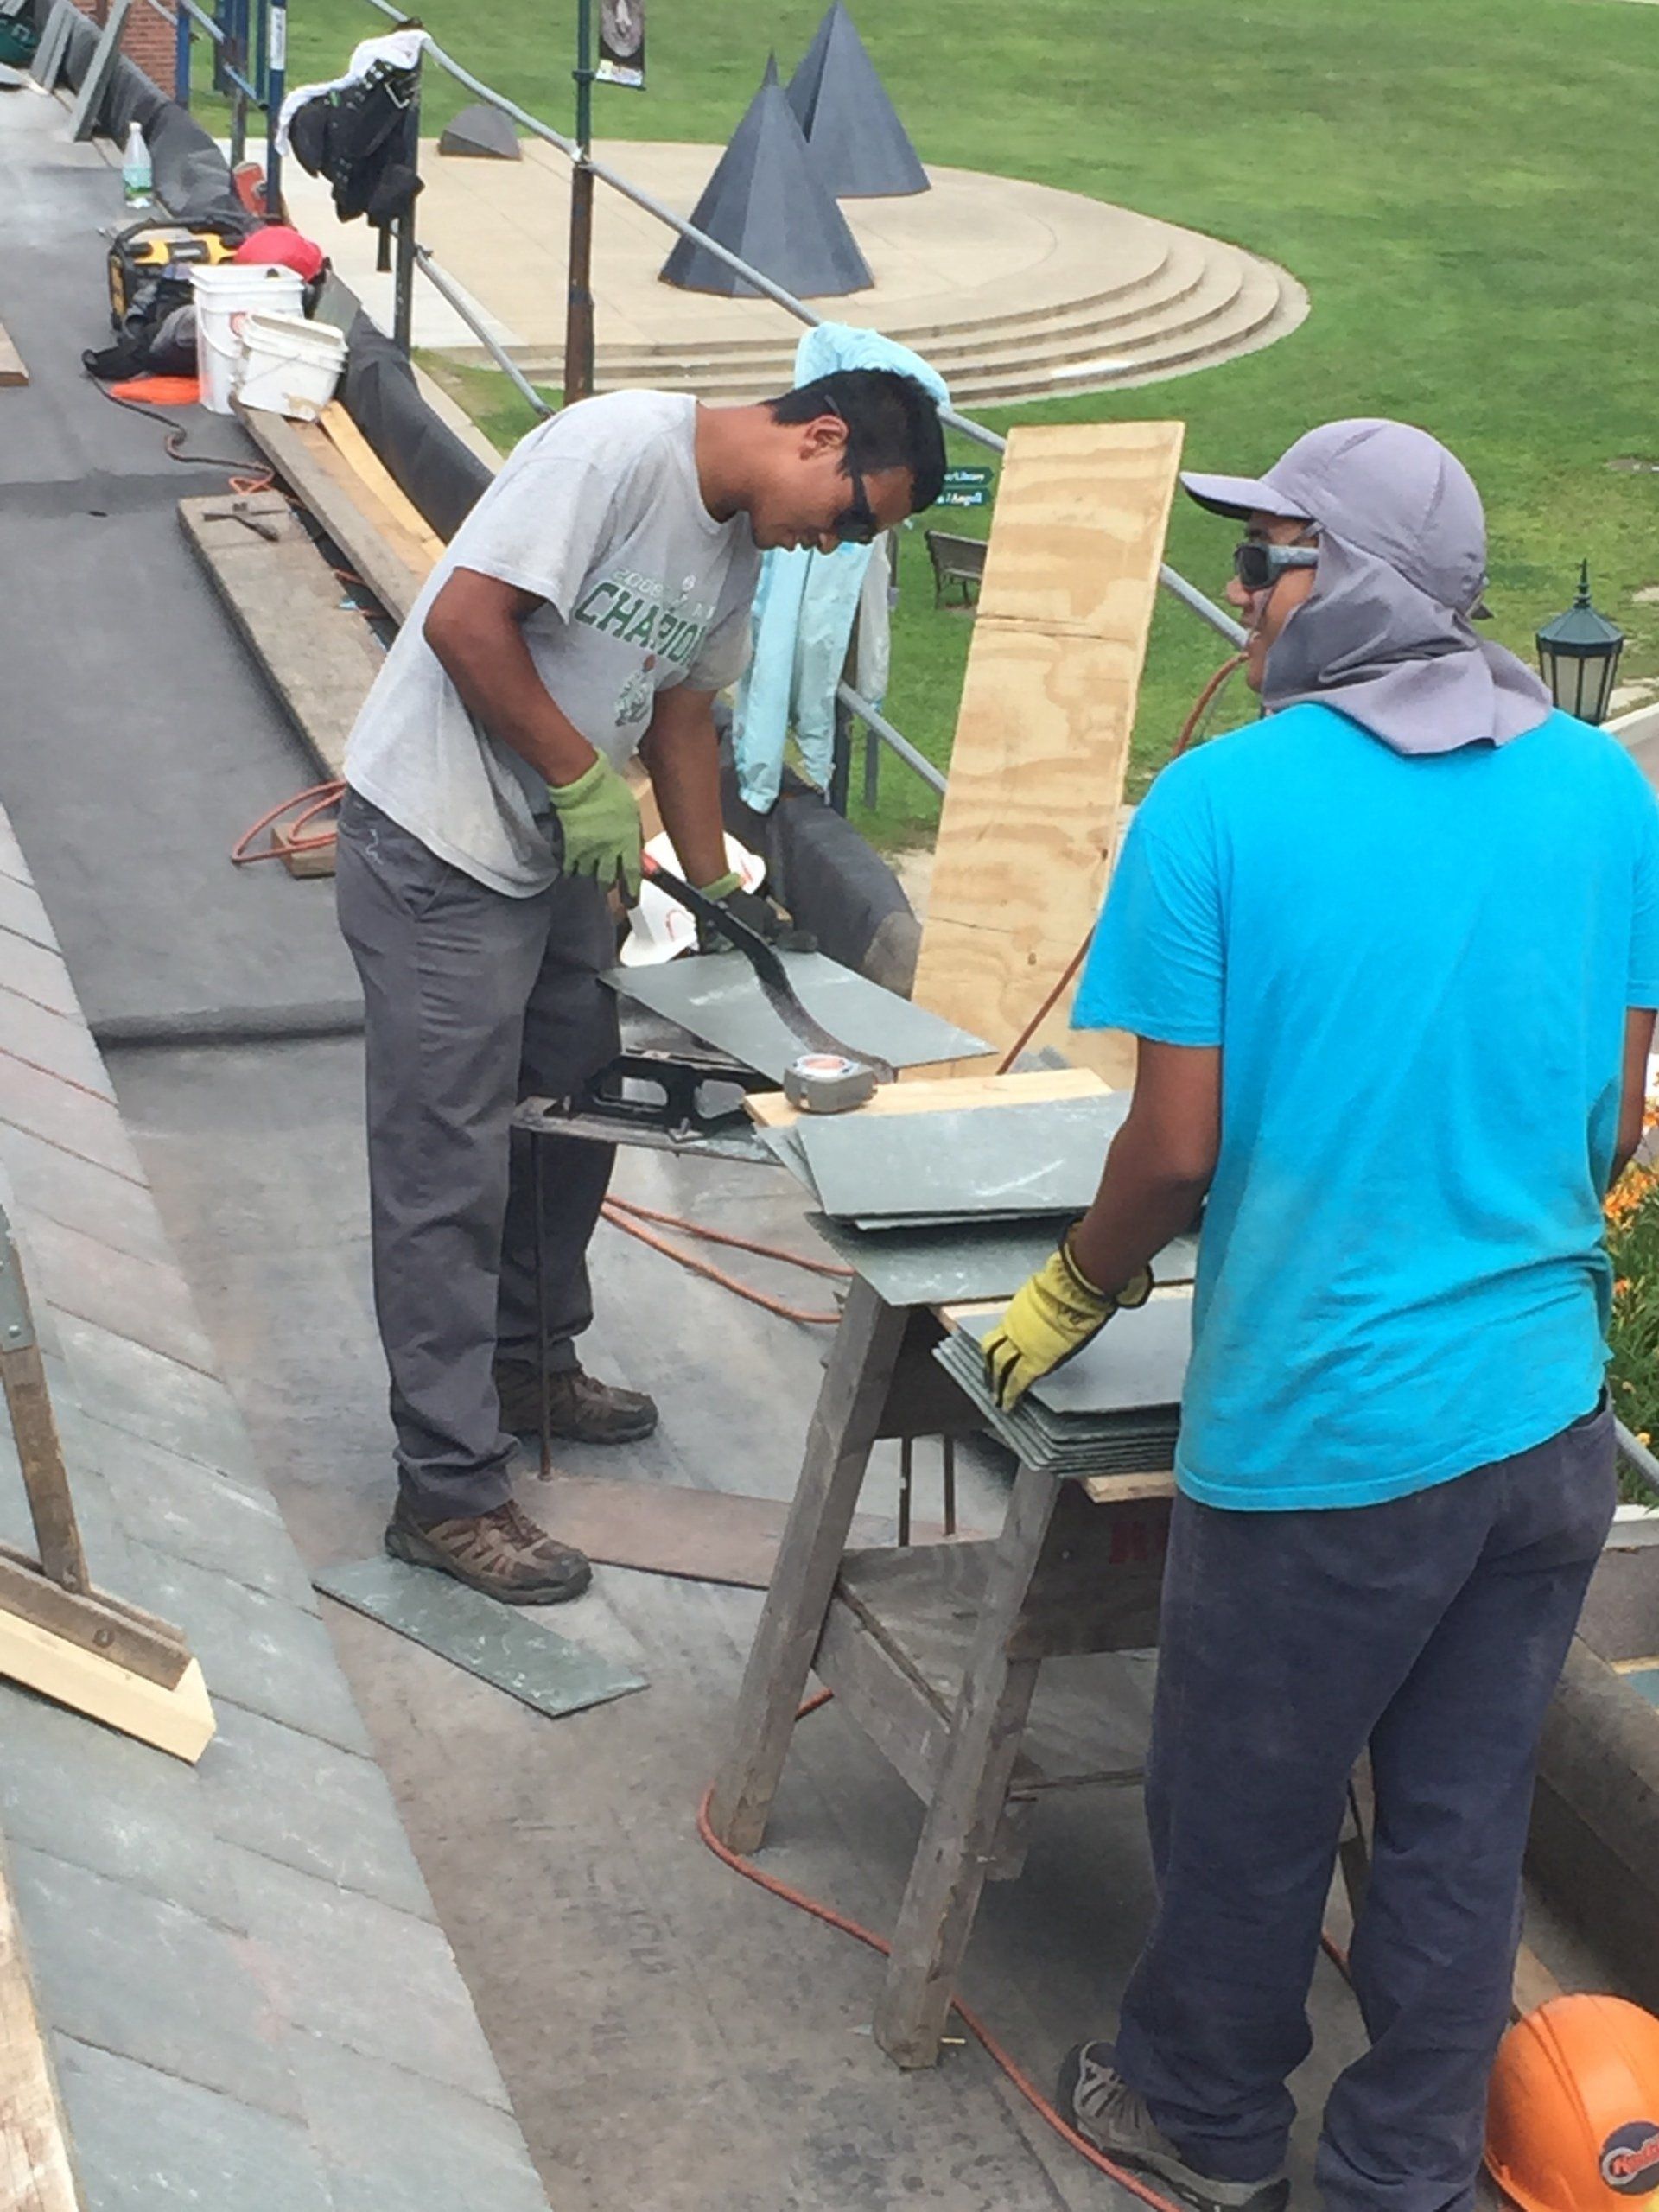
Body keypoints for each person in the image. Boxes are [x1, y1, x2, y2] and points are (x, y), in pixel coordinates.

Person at [982, 419, 1659, 2212]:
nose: (1239, 595)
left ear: (1343, 581)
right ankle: (1402, 2172)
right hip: (1544, 1423)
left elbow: (1175, 1147)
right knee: (1458, 1826)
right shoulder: (1605, 792)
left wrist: (1077, 1283)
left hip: (1328, 1436)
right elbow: (1614, 1121)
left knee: (1248, 1813)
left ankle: (1203, 2119)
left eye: (1263, 559)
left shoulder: (1221, 807)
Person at [336, 371, 944, 1605]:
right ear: (819, 437)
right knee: (448, 1169)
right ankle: (446, 1490)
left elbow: (680, 713)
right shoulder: (613, 451)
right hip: (441, 842)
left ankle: (526, 1363)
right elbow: (466, 620)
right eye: (846, 517)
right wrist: (578, 777)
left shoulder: (739, 542)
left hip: (557, 850)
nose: (830, 545)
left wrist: (718, 895)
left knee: (576, 1105)